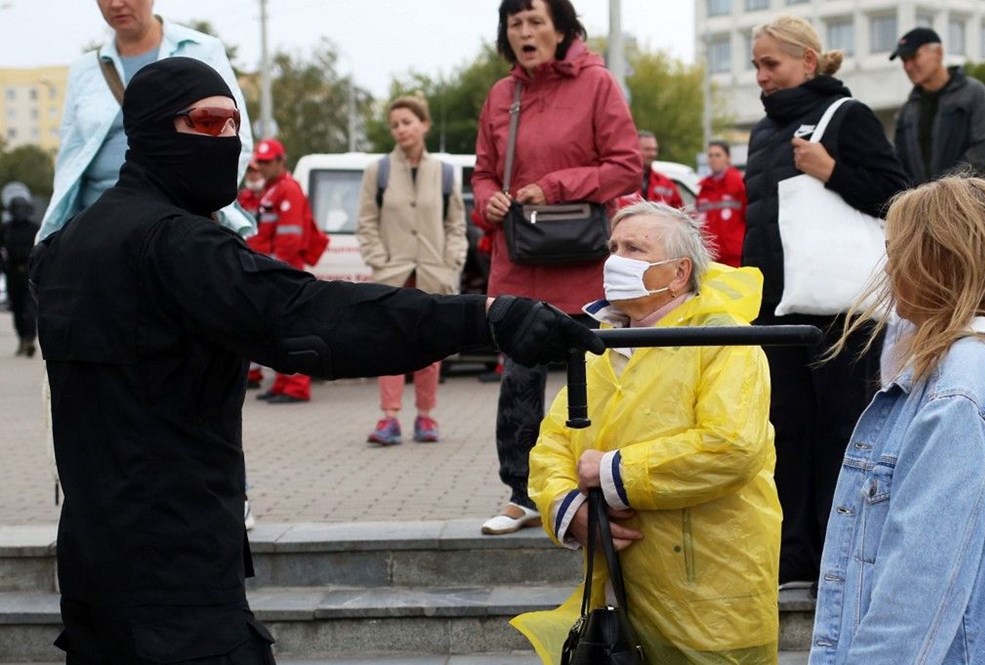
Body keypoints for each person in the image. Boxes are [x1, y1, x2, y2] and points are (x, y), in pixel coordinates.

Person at [29, 57, 604, 664]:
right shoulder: (178, 243)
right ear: (151, 127)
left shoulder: (67, 244)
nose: (227, 140)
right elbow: (312, 316)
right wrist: (484, 317)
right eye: (207, 122)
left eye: (234, 124)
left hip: (94, 564)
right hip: (174, 568)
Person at [512, 201, 780, 664]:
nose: (615, 260)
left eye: (634, 249)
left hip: (712, 600)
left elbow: (731, 446)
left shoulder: (724, 340)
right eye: (613, 247)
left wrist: (612, 472)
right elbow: (554, 442)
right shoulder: (601, 345)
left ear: (679, 272)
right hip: (623, 598)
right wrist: (568, 508)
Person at [744, 15, 907, 589]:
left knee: (840, 431)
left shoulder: (848, 115)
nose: (760, 75)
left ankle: (841, 561)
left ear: (807, 61)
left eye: (771, 63)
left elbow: (900, 198)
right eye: (756, 64)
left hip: (839, 310)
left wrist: (831, 170)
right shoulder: (762, 132)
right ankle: (793, 556)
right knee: (784, 429)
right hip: (774, 308)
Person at [810, 175, 985, 664]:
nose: (888, 267)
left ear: (937, 261)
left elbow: (919, 584)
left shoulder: (960, 389)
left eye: (896, 252)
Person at [473, 0, 642, 535]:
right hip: (518, 261)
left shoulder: (598, 83)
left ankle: (598, 490)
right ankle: (521, 495)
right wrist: (488, 201)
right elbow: (482, 173)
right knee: (519, 381)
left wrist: (553, 187)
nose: (525, 32)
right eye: (515, 24)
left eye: (536, 22)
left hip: (586, 261)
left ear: (562, 28)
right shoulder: (501, 95)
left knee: (596, 379)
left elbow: (625, 166)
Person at [37, 0, 254, 241]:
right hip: (102, 227)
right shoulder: (83, 70)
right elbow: (70, 161)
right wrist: (57, 237)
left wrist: (200, 207)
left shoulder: (202, 50)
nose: (116, 4)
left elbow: (235, 135)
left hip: (182, 223)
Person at [356, 95, 468, 445]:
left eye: (407, 122)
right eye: (394, 124)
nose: (401, 129)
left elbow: (456, 225)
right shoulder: (379, 171)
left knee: (429, 344)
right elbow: (366, 221)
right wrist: (380, 259)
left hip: (433, 271)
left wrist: (451, 263)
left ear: (424, 124)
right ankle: (389, 418)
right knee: (389, 342)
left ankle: (426, 416)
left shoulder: (445, 172)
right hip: (393, 272)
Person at [891, 27, 985, 184]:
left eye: (913, 57)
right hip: (928, 199)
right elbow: (900, 166)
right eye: (904, 60)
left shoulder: (973, 94)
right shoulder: (907, 111)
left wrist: (943, 190)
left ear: (938, 53)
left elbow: (984, 151)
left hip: (971, 197)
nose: (908, 66)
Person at [251, 138, 314, 404]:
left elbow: (289, 237)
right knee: (277, 330)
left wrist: (276, 270)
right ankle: (282, 383)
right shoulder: (272, 189)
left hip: (283, 270)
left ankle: (297, 386)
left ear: (280, 161)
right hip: (274, 268)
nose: (262, 167)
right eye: (260, 162)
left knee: (292, 330)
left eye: (267, 162)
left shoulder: (288, 189)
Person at [238, 159, 267, 391]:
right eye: (250, 172)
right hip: (248, 262)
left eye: (256, 172)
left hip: (264, 262)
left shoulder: (270, 196)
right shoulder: (243, 198)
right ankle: (252, 374)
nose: (253, 176)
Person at [696, 139, 747, 267]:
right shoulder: (704, 188)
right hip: (710, 257)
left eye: (718, 155)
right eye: (710, 155)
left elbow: (749, 217)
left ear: (728, 158)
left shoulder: (739, 184)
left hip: (734, 256)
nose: (714, 159)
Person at [0, 195, 39, 357]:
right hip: (12, 273)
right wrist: (3, 266)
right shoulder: (6, 228)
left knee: (30, 308)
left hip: (29, 272)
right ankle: (22, 338)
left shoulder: (34, 228)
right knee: (17, 308)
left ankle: (29, 339)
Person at [615, 130, 685, 210]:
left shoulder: (666, 184)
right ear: (634, 150)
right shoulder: (618, 181)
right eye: (647, 149)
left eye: (655, 149)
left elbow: (680, 212)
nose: (653, 154)